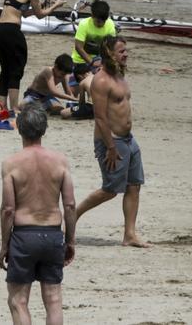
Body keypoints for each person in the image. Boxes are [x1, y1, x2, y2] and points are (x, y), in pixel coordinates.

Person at [0, 104, 76, 325]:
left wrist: (5, 244)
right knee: (53, 299)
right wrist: (69, 240)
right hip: (52, 234)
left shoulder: (11, 164)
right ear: (44, 130)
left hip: (24, 235)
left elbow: (8, 210)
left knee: (18, 300)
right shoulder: (60, 161)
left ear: (19, 129)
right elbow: (69, 205)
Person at [75, 37, 150, 247]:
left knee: (134, 186)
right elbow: (100, 117)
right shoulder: (101, 81)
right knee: (109, 190)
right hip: (112, 142)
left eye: (126, 50)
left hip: (129, 140)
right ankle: (74, 214)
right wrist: (109, 147)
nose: (125, 54)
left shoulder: (120, 76)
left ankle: (130, 234)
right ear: (109, 53)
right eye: (121, 51)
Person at [0, 0, 65, 112]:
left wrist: (43, 4)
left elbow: (24, 13)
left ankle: (3, 107)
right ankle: (14, 108)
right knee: (17, 69)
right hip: (11, 31)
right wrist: (56, 5)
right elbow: (40, 15)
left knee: (5, 69)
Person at [71, 0, 115, 77]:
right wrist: (91, 62)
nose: (101, 24)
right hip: (79, 60)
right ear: (92, 15)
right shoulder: (84, 24)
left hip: (98, 59)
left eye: (103, 21)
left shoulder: (110, 25)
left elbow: (111, 48)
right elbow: (78, 47)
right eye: (98, 21)